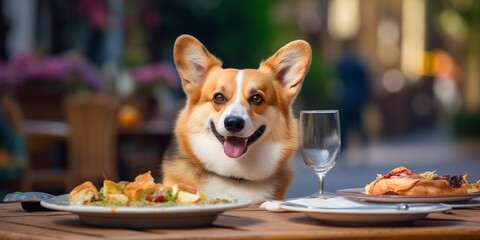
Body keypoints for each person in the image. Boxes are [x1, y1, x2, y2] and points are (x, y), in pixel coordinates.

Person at [335, 41, 370, 149]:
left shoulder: (341, 64)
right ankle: (363, 144)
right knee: (358, 123)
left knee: (344, 125)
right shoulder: (358, 64)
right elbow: (365, 82)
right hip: (357, 97)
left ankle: (343, 147)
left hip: (345, 98)